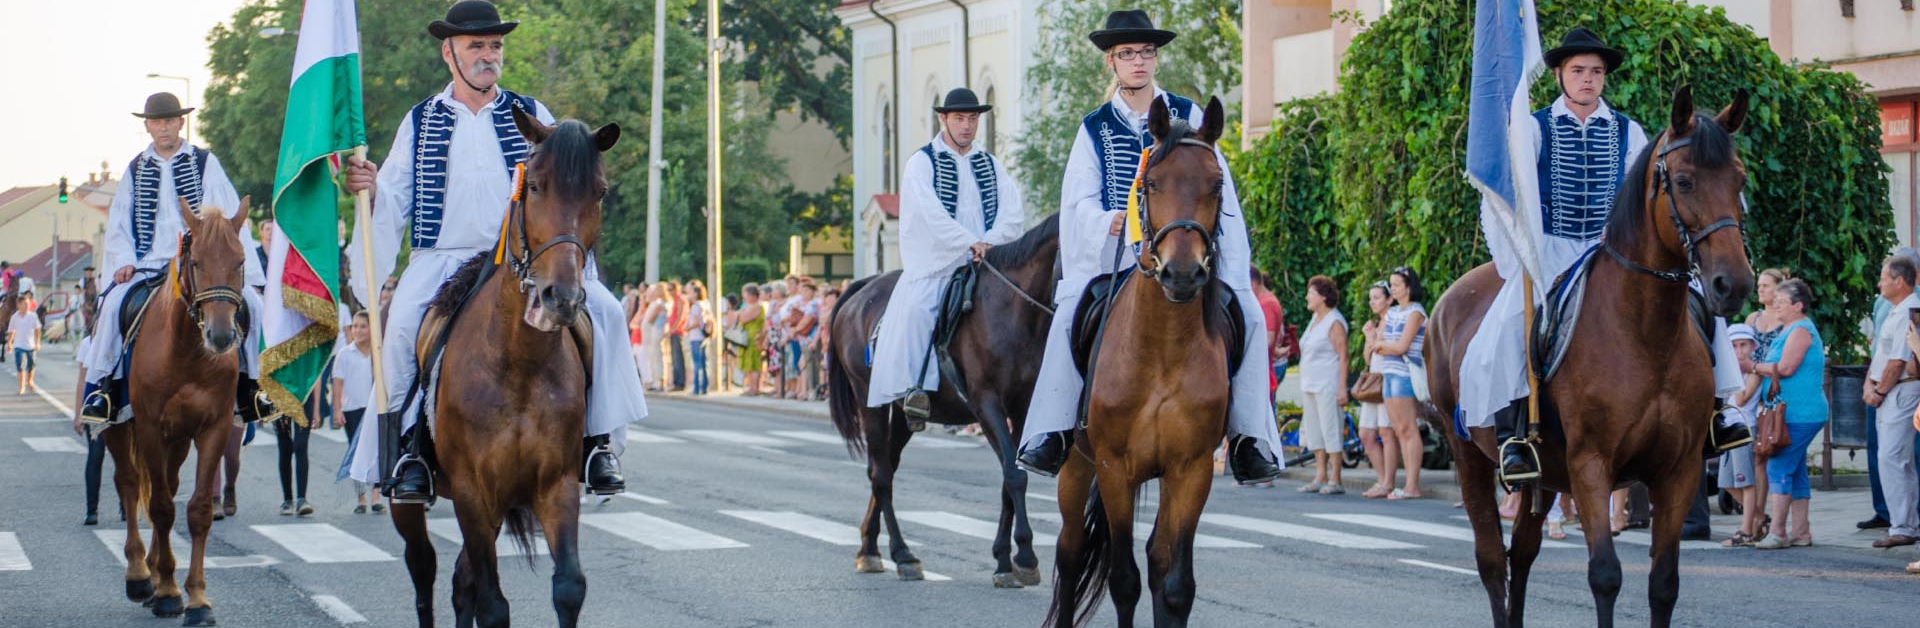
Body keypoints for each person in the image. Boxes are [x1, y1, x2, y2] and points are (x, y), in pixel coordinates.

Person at [341, 0, 643, 500]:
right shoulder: (420, 119)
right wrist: (372, 189)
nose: (487, 55)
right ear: (449, 52)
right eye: (475, 45)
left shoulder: (532, 115)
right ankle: (409, 451)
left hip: (523, 260)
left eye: (495, 45)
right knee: (397, 334)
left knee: (607, 313)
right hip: (440, 259)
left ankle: (597, 441)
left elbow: (567, 185)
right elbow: (395, 196)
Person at [1461, 28, 1746, 484]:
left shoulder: (1628, 131)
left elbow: (1641, 196)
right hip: (1550, 249)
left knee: (1696, 302)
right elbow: (1510, 195)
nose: (1588, 80)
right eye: (1578, 71)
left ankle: (1720, 409)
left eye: (1596, 72)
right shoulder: (1534, 128)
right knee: (1514, 322)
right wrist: (1523, 252)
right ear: (1559, 75)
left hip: (1609, 248)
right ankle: (1517, 433)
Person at [1016, 10, 1283, 485]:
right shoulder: (1094, 127)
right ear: (1111, 63)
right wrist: (1107, 220)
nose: (1138, 61)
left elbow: (1218, 186)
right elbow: (1076, 201)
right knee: (1069, 315)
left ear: (1155, 58)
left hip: (1182, 249)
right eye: (1127, 54)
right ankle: (1053, 431)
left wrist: (1224, 257)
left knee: (1250, 315)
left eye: (1146, 52)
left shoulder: (1189, 112)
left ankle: (1248, 438)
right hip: (1119, 254)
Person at [79, 92, 276, 425]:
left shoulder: (204, 162)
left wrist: (246, 273)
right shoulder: (134, 169)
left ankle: (253, 388)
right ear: (148, 126)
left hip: (199, 266)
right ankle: (104, 390)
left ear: (181, 122)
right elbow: (119, 222)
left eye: (170, 120)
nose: (164, 127)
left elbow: (229, 215)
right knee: (111, 306)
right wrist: (124, 259)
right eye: (157, 121)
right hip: (148, 265)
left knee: (253, 306)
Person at [865, 86, 1026, 416]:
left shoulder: (991, 164)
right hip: (940, 262)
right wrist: (967, 242)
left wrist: (990, 244)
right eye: (959, 118)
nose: (966, 125)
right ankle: (916, 387)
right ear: (943, 119)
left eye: (972, 118)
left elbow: (1013, 211)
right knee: (919, 311)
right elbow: (929, 214)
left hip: (986, 262)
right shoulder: (922, 163)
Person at [1750, 279, 1825, 549]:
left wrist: (1754, 366)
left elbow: (1786, 367)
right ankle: (1801, 532)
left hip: (1799, 412)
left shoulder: (1801, 330)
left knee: (1778, 466)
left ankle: (1779, 533)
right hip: (1793, 412)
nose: (1777, 306)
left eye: (1782, 302)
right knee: (1796, 472)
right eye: (1776, 301)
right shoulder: (1789, 328)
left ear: (1798, 305)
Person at [1865, 255, 1920, 548]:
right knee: (1897, 460)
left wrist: (1880, 391)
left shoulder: (1909, 311)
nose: (1880, 283)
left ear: (1900, 282)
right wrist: (1870, 383)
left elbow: (1898, 360)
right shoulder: (1898, 310)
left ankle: (1904, 525)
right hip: (1892, 390)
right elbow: (1882, 355)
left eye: (1884, 278)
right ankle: (1907, 522)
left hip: (1900, 391)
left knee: (1892, 458)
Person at [1376, 267, 1428, 499]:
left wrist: (1384, 346)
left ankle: (1412, 485)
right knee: (1398, 429)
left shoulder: (1416, 313)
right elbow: (1381, 342)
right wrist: (1385, 346)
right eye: (1392, 285)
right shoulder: (1393, 312)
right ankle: (1407, 483)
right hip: (1389, 372)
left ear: (1408, 287)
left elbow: (1401, 346)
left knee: (1408, 428)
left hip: (1404, 374)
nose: (1394, 289)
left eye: (1397, 285)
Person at [1297, 276, 1349, 495]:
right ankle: (1320, 474)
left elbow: (1343, 356)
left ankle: (1335, 477)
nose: (1308, 296)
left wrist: (1342, 387)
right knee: (1314, 430)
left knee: (1330, 429)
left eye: (1311, 293)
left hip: (1327, 382)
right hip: (1309, 382)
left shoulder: (1334, 321)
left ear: (1323, 296)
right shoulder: (1315, 319)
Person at [334, 310, 383, 514]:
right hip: (352, 407)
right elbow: (338, 383)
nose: (358, 330)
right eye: (355, 326)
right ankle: (361, 497)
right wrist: (337, 409)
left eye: (363, 326)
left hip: (373, 407)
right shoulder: (345, 354)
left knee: (376, 450)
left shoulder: (378, 352)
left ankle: (376, 494)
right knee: (356, 451)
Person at [1721, 324, 1765, 546]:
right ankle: (1761, 519)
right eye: (1734, 346)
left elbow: (1740, 399)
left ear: (1752, 346)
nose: (1739, 351)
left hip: (1745, 427)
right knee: (1727, 483)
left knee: (1745, 482)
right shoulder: (1728, 370)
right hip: (1728, 428)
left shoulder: (1753, 372)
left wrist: (1735, 370)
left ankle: (1746, 530)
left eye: (1743, 345)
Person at [1357, 281, 1395, 498]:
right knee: (1365, 433)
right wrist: (1369, 339)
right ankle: (1381, 479)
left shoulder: (1393, 320)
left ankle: (1388, 482)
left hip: (1387, 378)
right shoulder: (1376, 323)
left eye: (1377, 297)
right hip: (1374, 381)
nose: (1373, 302)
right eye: (1371, 298)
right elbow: (1368, 358)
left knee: (1386, 432)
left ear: (1389, 299)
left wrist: (1376, 340)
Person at [736, 284, 767, 395]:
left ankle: (755, 388)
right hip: (745, 337)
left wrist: (740, 314)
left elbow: (743, 318)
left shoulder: (758, 306)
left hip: (754, 337)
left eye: (747, 294)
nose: (745, 297)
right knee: (747, 363)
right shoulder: (747, 306)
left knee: (754, 362)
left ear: (753, 295)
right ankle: (750, 387)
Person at [8, 290, 39, 394]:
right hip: (18, 345)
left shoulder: (33, 316)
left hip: (31, 345)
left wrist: (38, 342)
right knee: (20, 366)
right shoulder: (14, 317)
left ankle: (30, 381)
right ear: (18, 305)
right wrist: (9, 343)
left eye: (28, 304)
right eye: (25, 304)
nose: (27, 306)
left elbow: (37, 329)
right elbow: (11, 331)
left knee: (31, 366)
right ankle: (22, 387)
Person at [685, 282, 711, 395]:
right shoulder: (705, 304)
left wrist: (687, 328)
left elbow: (695, 322)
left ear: (695, 294)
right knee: (703, 363)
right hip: (704, 336)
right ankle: (704, 386)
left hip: (696, 336)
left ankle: (696, 387)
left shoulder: (696, 306)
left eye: (690, 292)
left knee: (697, 363)